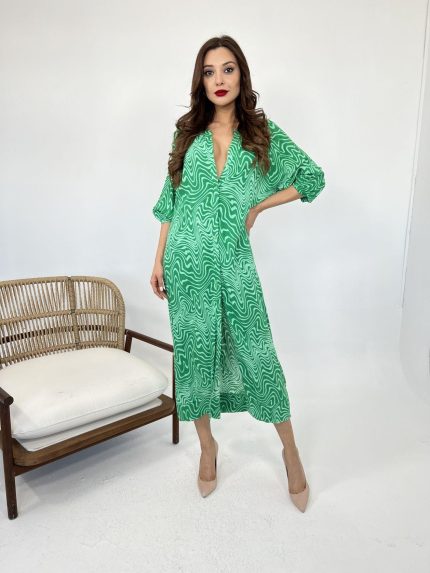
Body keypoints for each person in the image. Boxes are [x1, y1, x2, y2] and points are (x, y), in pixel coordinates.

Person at [150, 35, 325, 512]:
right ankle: (207, 446)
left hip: (235, 262)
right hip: (187, 264)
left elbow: (311, 178)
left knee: (259, 355)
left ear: (241, 74)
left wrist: (259, 206)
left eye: (227, 69)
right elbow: (170, 201)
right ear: (200, 81)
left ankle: (290, 450)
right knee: (194, 358)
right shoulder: (186, 133)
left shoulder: (261, 133)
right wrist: (158, 258)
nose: (219, 80)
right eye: (209, 72)